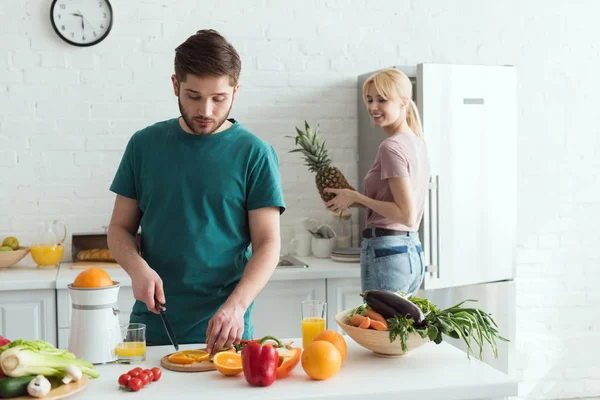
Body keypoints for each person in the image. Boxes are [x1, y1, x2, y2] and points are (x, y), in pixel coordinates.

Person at [107, 29, 285, 354]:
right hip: (154, 324)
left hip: (227, 328)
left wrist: (237, 306)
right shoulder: (143, 146)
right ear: (175, 85)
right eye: (193, 95)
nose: (205, 110)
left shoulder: (254, 154)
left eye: (218, 98)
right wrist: (137, 268)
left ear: (235, 91)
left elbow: (268, 243)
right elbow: (119, 228)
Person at [324, 68, 430, 296]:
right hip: (411, 253)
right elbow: (401, 207)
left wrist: (357, 197)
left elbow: (405, 214)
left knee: (378, 331)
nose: (373, 107)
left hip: (387, 253)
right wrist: (359, 201)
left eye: (382, 100)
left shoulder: (390, 147)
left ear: (403, 102)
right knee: (396, 331)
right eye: (370, 99)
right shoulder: (417, 142)